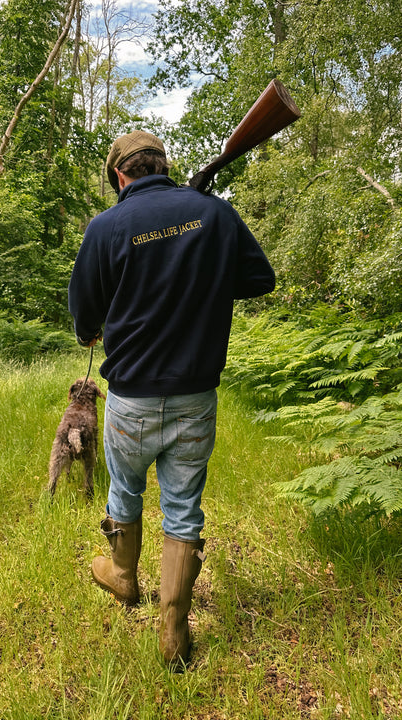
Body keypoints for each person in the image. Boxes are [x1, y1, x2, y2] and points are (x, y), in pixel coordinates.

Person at [68, 130, 275, 668]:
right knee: (183, 511)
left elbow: (84, 315)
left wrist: (94, 327)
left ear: (120, 175)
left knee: (124, 491)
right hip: (195, 398)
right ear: (164, 164)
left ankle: (122, 577)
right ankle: (173, 636)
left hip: (131, 399)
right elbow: (259, 279)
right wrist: (199, 278)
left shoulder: (107, 225)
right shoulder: (213, 212)